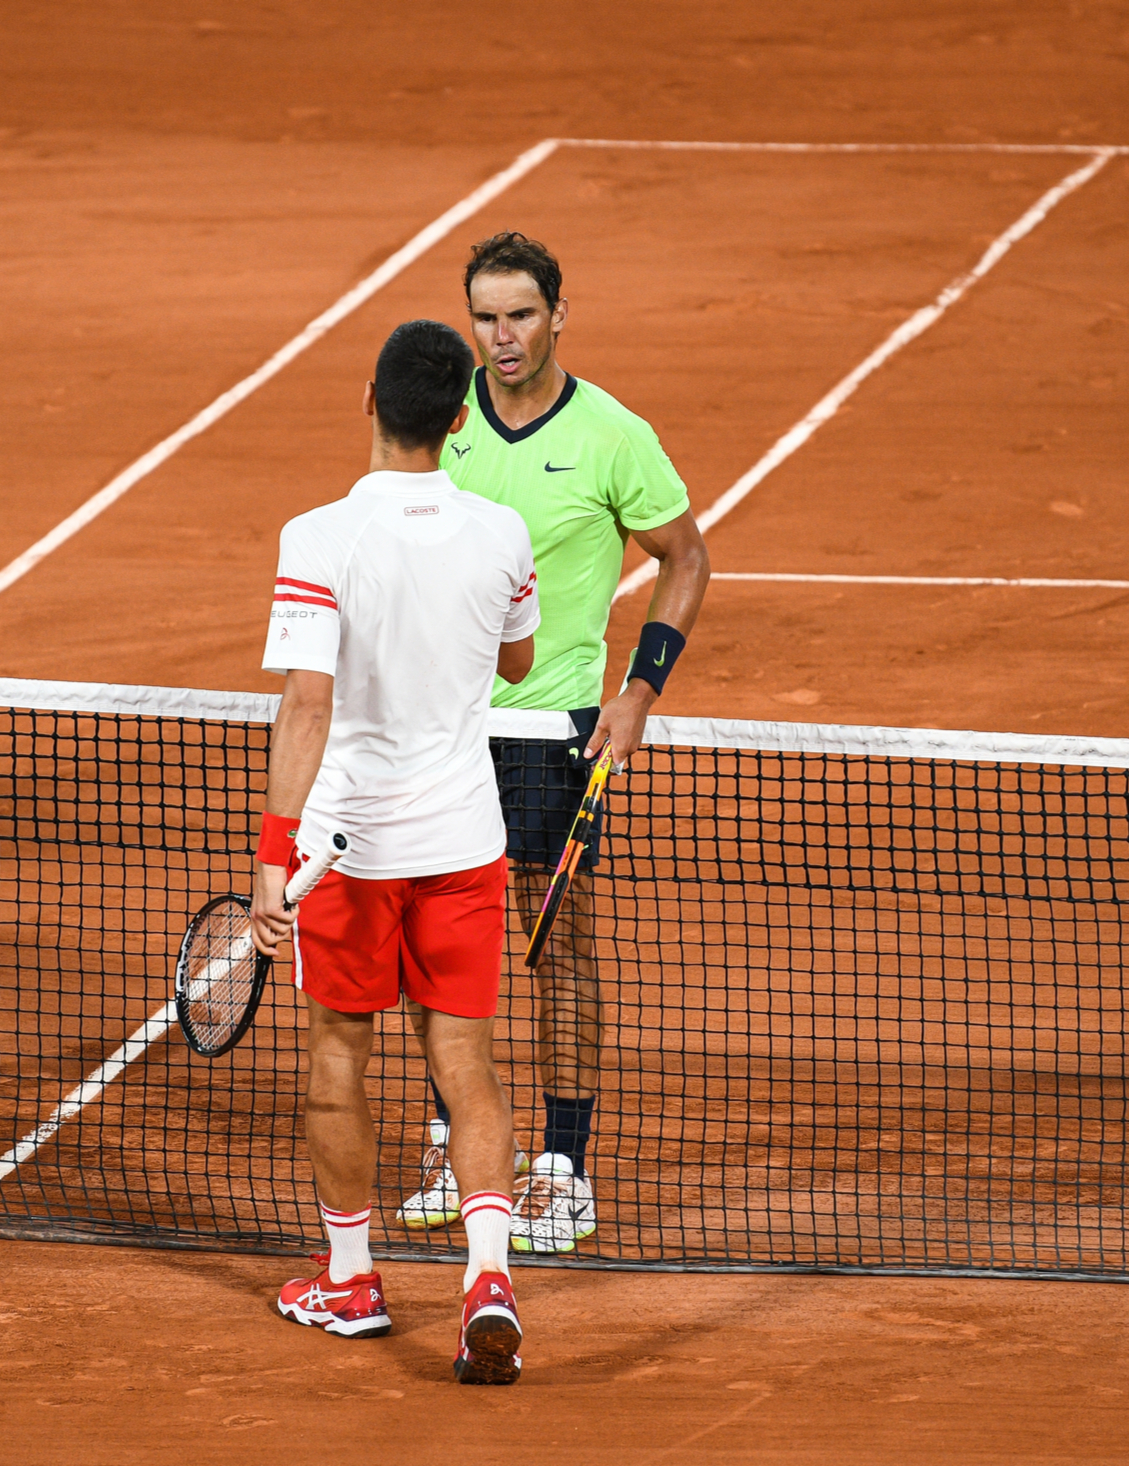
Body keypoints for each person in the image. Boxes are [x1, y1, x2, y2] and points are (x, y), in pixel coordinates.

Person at [397, 232, 711, 1254]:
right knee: (428, 939)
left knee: (557, 945)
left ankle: (563, 1168)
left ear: (558, 316)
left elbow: (683, 558)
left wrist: (639, 691)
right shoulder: (441, 428)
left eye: (521, 315)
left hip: (555, 725)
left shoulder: (615, 434)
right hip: (441, 722)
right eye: (484, 317)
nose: (501, 337)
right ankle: (450, 1136)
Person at [252, 317, 540, 1386]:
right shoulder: (502, 533)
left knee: (340, 1058)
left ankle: (351, 1280)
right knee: (466, 1068)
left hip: (348, 853)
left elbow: (306, 705)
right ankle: (486, 1280)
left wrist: (274, 863)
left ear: (366, 402)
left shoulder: (318, 538)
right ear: (459, 420)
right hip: (465, 843)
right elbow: (514, 660)